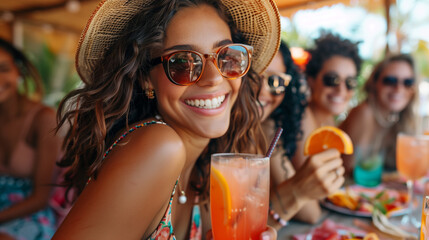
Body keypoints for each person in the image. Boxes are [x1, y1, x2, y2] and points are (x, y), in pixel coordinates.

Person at [52, 0, 280, 239]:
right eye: (182, 62)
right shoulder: (158, 147)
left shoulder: (202, 168)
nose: (213, 78)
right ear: (146, 78)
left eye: (227, 56)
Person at [258, 41, 345, 226]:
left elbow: (312, 210)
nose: (263, 89)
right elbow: (310, 212)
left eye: (276, 81)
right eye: (254, 76)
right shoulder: (258, 129)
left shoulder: (268, 127)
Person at [0, 38, 61, 239]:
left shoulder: (43, 118)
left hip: (29, 215)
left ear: (18, 71)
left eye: (3, 68)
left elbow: (41, 198)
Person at [291, 32, 362, 172]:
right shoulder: (302, 117)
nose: (341, 90)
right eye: (332, 80)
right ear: (311, 80)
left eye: (350, 82)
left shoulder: (328, 119)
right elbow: (311, 184)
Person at [340, 54, 417, 172]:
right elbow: (352, 171)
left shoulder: (400, 118)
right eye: (390, 81)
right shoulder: (365, 112)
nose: (399, 89)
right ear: (374, 83)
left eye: (407, 82)